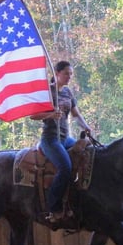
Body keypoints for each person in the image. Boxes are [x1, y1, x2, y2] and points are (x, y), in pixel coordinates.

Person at [31, 60, 92, 222]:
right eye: (66, 73)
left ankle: (76, 200)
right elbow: (33, 115)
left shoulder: (67, 93)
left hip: (65, 139)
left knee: (89, 151)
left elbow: (76, 115)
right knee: (65, 167)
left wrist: (86, 127)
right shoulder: (47, 92)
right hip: (50, 139)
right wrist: (50, 115)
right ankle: (53, 207)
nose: (69, 77)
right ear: (57, 73)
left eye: (71, 74)